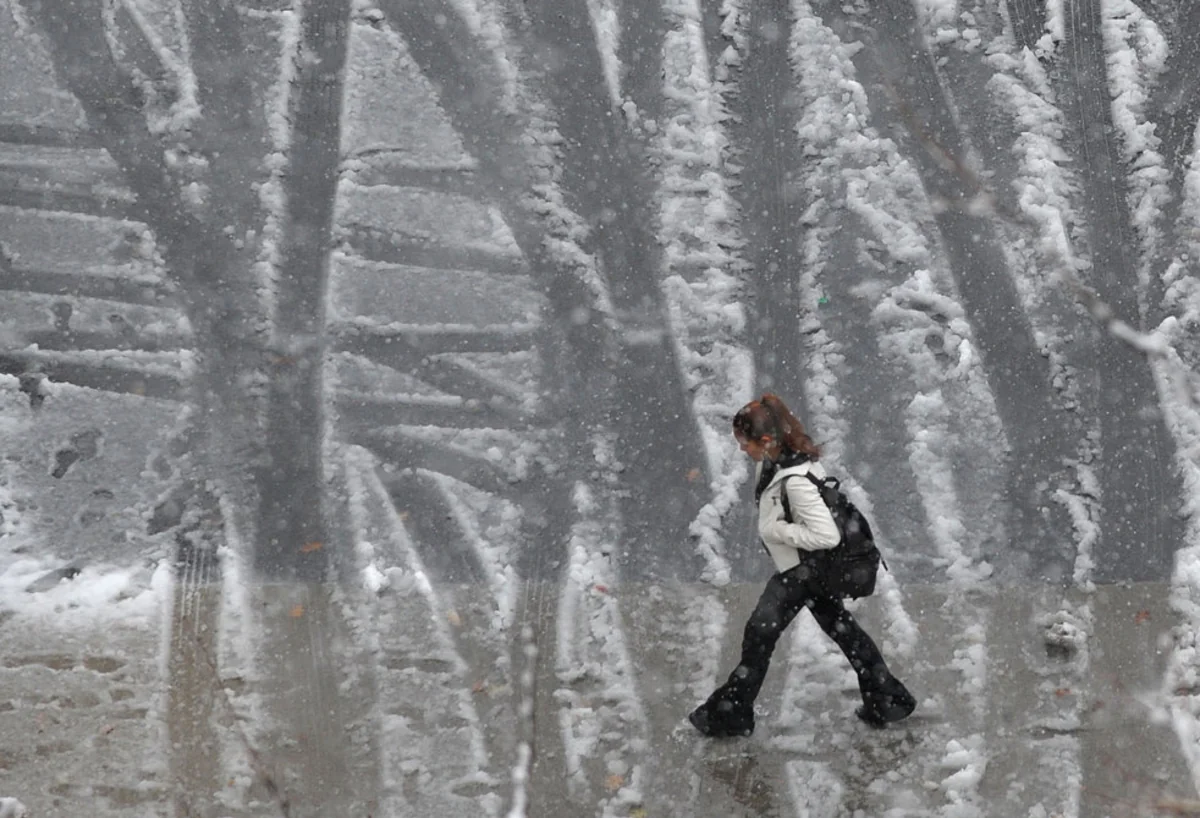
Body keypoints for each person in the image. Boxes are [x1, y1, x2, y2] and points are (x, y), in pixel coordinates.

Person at [689, 393, 916, 737]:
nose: (741, 449)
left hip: (802, 574)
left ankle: (730, 714)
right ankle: (887, 698)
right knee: (844, 632)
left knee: (759, 635)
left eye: (744, 443)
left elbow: (827, 536)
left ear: (766, 441)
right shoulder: (780, 462)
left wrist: (776, 530)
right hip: (808, 571)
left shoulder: (794, 480)